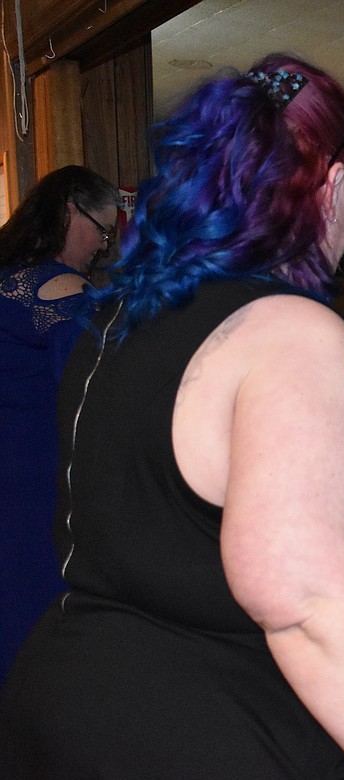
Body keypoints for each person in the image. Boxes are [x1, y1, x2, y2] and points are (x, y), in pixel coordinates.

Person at [0, 54, 344, 778]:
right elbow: (308, 604)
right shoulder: (287, 331)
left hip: (70, 705)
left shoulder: (119, 316)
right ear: (333, 186)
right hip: (226, 732)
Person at [0, 165, 117, 684]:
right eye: (103, 229)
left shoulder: (6, 279)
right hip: (39, 484)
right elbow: (92, 398)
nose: (103, 245)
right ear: (70, 208)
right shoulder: (62, 290)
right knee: (39, 628)